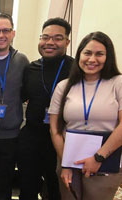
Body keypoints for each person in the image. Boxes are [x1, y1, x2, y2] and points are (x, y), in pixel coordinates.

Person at [49, 31, 122, 200]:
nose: (92, 59)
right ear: (79, 54)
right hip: (69, 162)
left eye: (99, 54)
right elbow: (55, 129)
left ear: (108, 56)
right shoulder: (64, 86)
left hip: (105, 161)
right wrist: (65, 163)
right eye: (87, 53)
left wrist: (98, 157)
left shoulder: (118, 83)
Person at [17, 18, 73, 200]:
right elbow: (21, 97)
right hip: (32, 137)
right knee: (27, 188)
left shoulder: (76, 69)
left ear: (67, 42)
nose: (50, 42)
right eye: (45, 37)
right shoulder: (30, 68)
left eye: (57, 38)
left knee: (56, 190)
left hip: (61, 140)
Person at [0, 13, 29, 200]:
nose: (1, 35)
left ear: (13, 33)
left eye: (6, 30)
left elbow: (25, 93)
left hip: (10, 136)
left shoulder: (22, 61)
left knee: (3, 186)